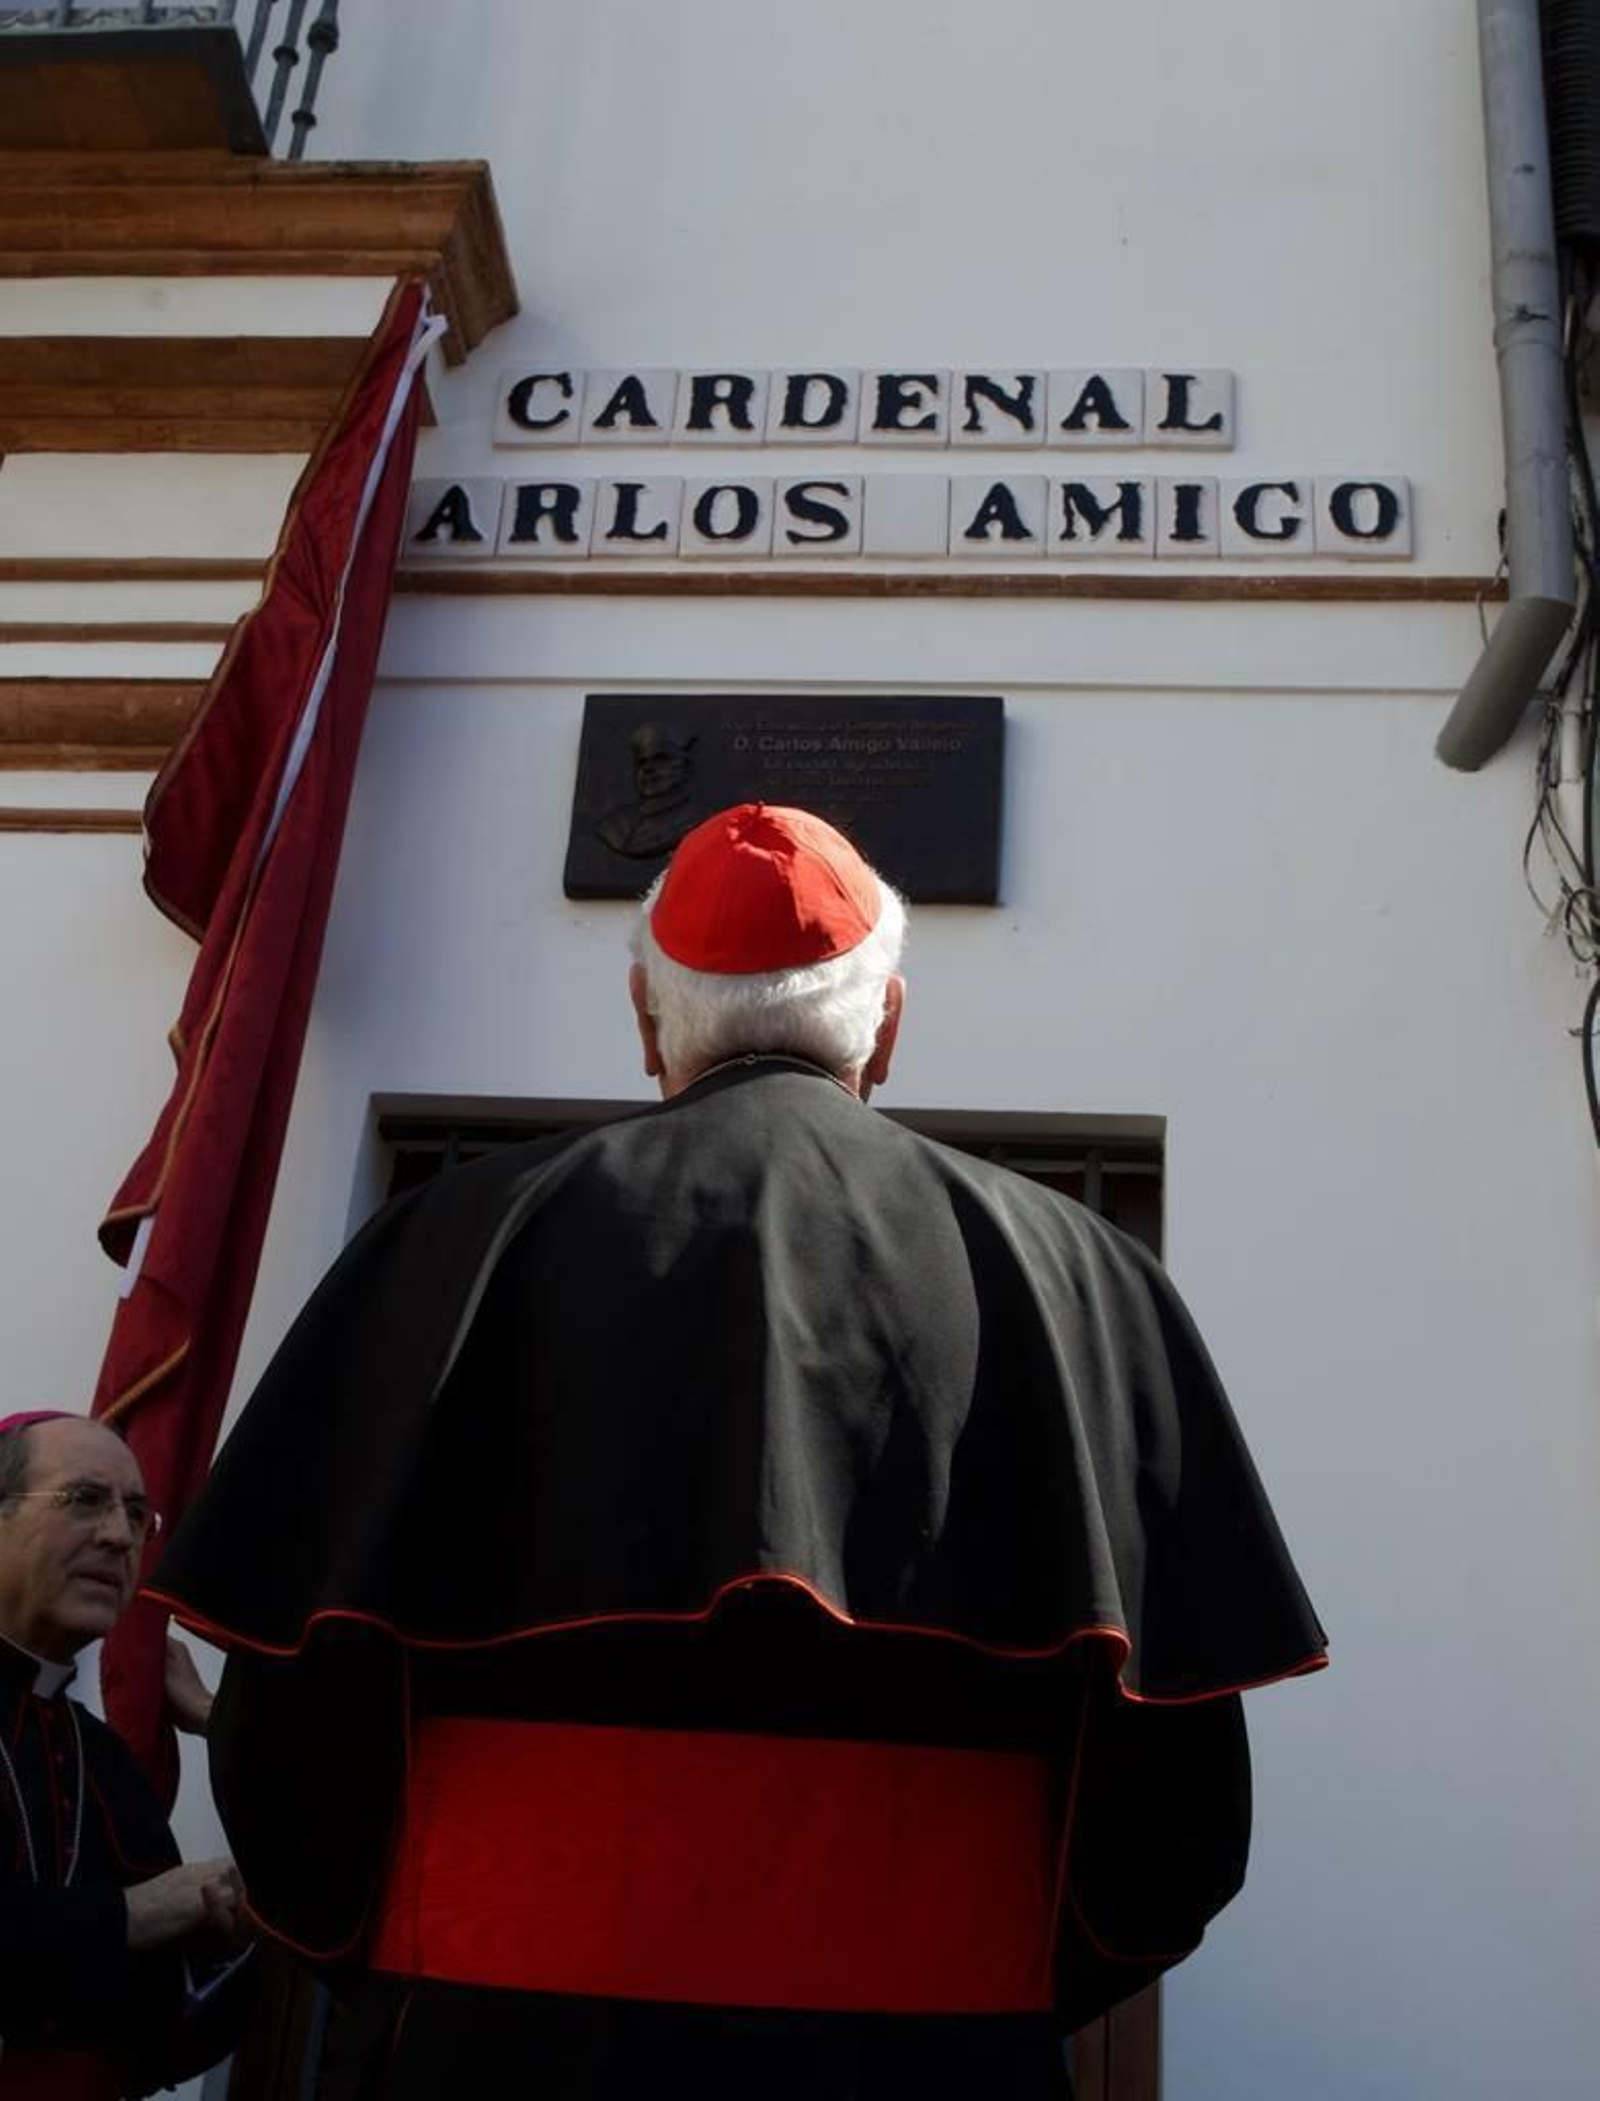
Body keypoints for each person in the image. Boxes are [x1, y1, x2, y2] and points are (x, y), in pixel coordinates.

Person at [152, 803, 1327, 2101]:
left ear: (649, 1022)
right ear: (887, 1024)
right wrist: (986, 1980)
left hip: (494, 2041)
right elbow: (1176, 1800)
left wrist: (427, 1965)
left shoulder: (448, 1246)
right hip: (939, 2054)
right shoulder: (1080, 1276)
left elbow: (286, 1738)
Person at [0, 1410, 249, 2100]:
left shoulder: (100, 1756)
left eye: (138, 1514)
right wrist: (137, 1913)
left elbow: (165, 2040)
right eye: (84, 1499)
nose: (119, 1535)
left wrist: (237, 1936)